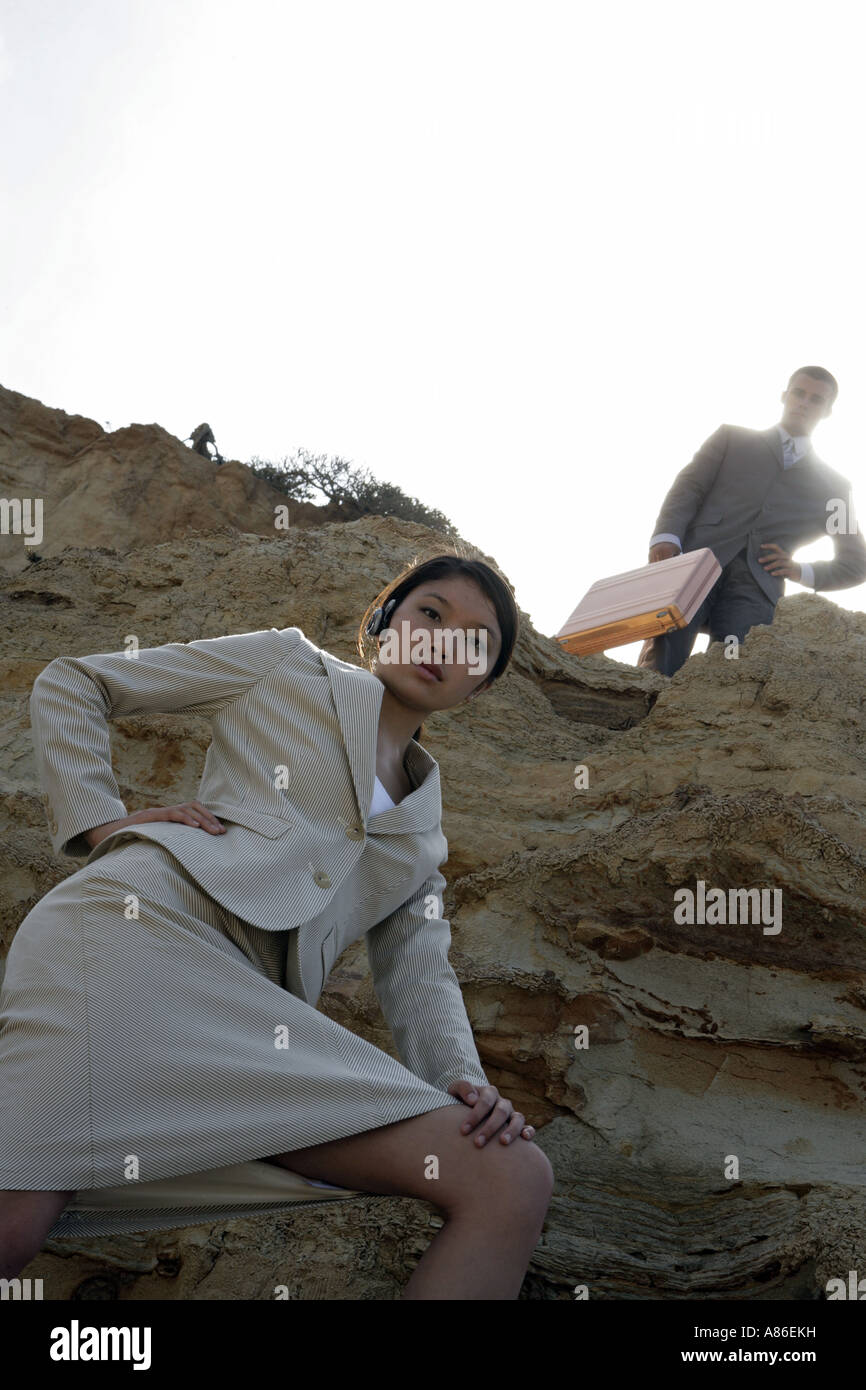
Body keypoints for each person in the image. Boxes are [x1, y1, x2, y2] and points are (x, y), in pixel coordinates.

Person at [0, 552, 554, 1300]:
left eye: (476, 642)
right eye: (430, 613)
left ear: (480, 684)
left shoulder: (426, 839)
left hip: (250, 1025)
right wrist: (101, 822)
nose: (445, 643)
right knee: (15, 1226)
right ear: (386, 620)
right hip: (133, 937)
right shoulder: (288, 664)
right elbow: (77, 681)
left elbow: (422, 972)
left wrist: (464, 1083)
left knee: (509, 1173)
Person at [643, 367, 866, 676]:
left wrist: (803, 571)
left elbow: (856, 563)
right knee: (662, 658)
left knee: (731, 671)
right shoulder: (730, 440)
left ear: (827, 411)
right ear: (785, 396)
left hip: (753, 591)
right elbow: (689, 488)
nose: (804, 403)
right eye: (799, 393)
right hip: (694, 564)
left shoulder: (834, 488)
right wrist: (667, 536)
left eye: (816, 399)